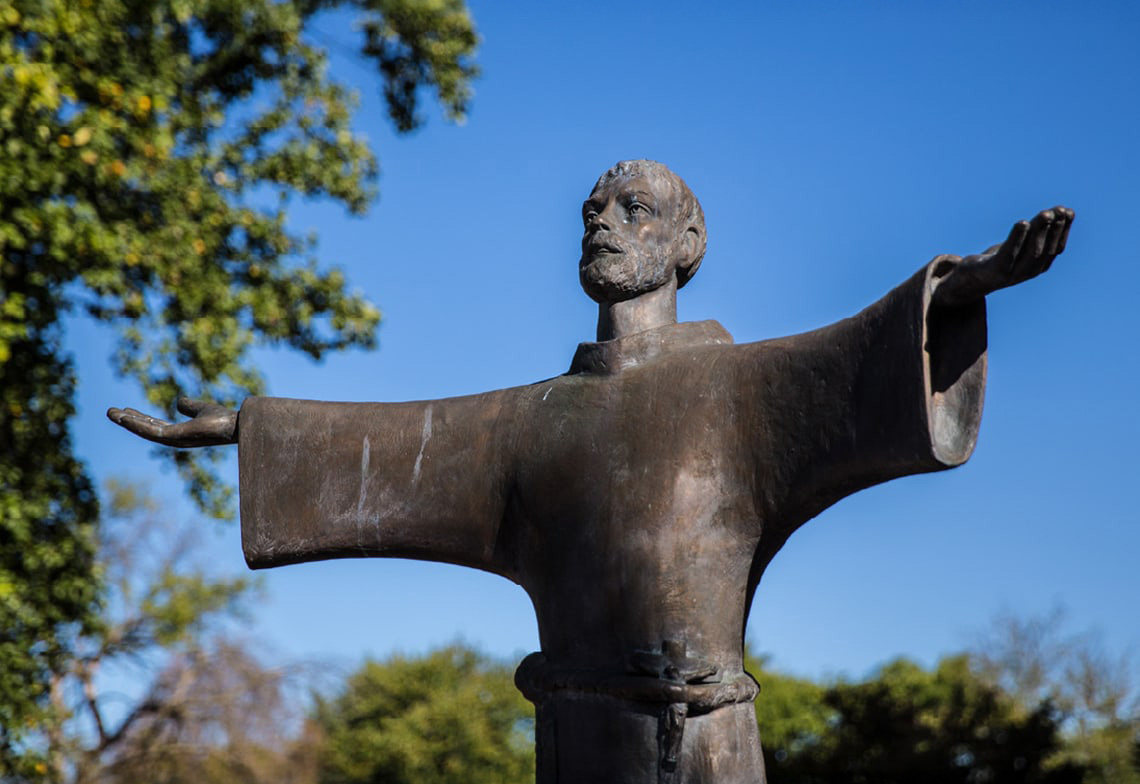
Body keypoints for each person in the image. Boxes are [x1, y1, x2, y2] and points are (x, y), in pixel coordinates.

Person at [109, 160, 1073, 783]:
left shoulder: (749, 390)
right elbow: (389, 443)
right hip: (576, 751)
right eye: (592, 210)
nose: (602, 222)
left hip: (708, 750)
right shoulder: (528, 420)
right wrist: (252, 427)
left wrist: (957, 290)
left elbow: (868, 345)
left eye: (633, 209)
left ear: (686, 244)